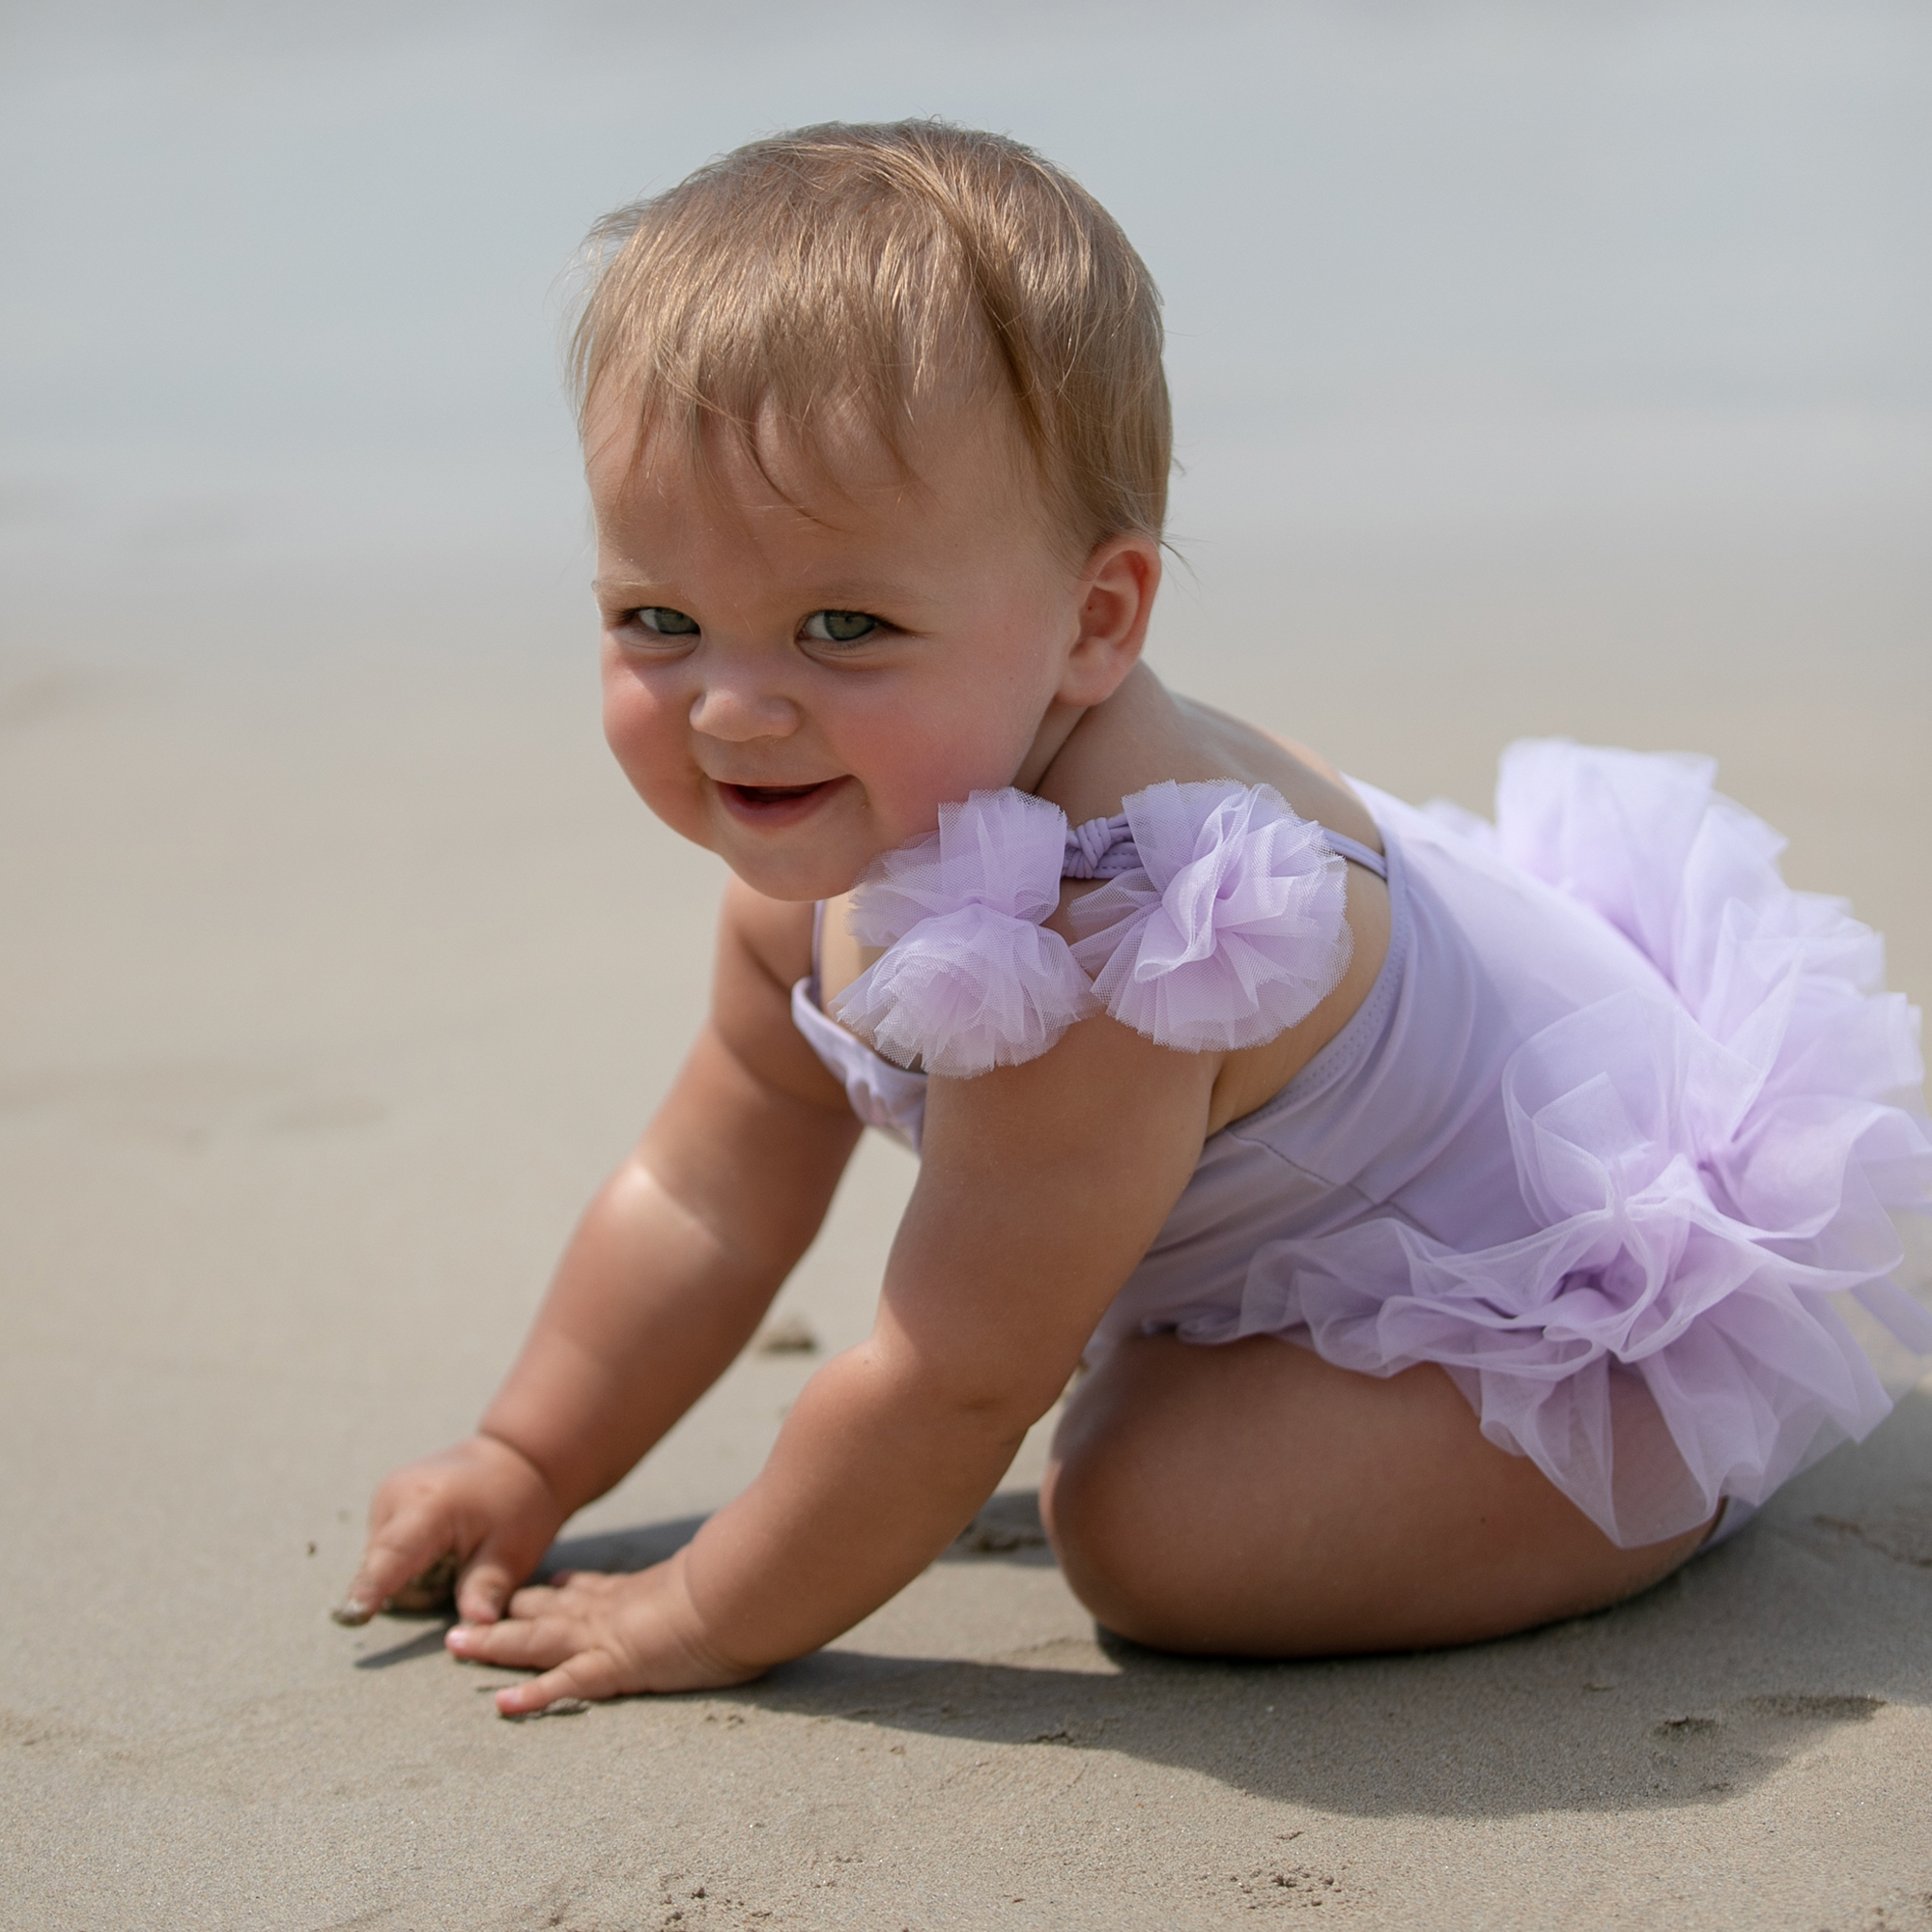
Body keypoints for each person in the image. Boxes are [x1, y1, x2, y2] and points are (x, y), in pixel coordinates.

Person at [334, 120, 1932, 1718]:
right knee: (1070, 1345)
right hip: (1344, 1178)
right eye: (658, 622)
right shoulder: (851, 815)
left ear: (1095, 623)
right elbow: (706, 1185)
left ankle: (1670, 1476)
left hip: (1552, 1276)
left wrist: (697, 1612)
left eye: (845, 626)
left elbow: (954, 1382)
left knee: (1150, 1528)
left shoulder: (1106, 945)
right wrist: (528, 1448)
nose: (737, 709)